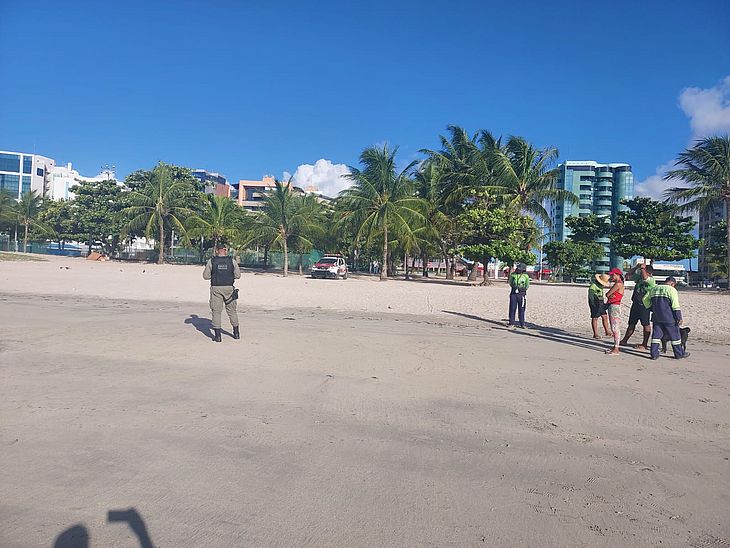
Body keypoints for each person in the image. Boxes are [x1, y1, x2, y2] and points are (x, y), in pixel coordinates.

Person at [643, 276, 689, 360]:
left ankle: (654, 354)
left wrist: (651, 308)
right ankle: (679, 354)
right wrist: (679, 317)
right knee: (675, 337)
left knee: (656, 336)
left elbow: (645, 299)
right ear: (673, 284)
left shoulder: (654, 288)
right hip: (669, 317)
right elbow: (675, 305)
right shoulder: (671, 290)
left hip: (656, 317)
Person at [203, 244, 241, 342]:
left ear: (216, 251)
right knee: (232, 311)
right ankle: (236, 333)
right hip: (229, 288)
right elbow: (238, 276)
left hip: (216, 288)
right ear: (226, 251)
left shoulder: (211, 261)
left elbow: (206, 276)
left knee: (216, 311)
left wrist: (214, 275)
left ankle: (218, 336)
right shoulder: (232, 261)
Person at [620, 263, 656, 350]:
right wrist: (636, 267)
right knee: (631, 323)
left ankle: (644, 343)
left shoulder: (651, 280)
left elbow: (645, 278)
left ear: (649, 273)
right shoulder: (639, 278)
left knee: (646, 324)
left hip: (644, 305)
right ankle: (625, 340)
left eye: (643, 271)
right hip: (636, 303)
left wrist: (643, 268)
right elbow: (628, 275)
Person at [604, 267, 625, 355]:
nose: (611, 277)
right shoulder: (619, 283)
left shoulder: (618, 284)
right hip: (614, 305)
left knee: (615, 327)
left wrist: (610, 295)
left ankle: (616, 348)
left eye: (613, 275)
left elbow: (608, 294)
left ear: (617, 275)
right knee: (615, 327)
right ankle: (615, 346)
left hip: (614, 306)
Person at [588, 273, 612, 339]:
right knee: (595, 318)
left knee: (604, 316)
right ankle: (595, 334)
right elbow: (591, 296)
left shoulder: (601, 286)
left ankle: (607, 331)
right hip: (594, 303)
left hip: (601, 302)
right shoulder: (593, 286)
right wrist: (593, 305)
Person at [508, 263, 530, 328]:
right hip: (514, 293)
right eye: (518, 268)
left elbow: (527, 285)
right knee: (512, 308)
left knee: (522, 309)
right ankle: (511, 323)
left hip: (522, 294)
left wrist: (522, 288)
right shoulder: (513, 275)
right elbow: (510, 282)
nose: (518, 270)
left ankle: (522, 323)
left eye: (520, 269)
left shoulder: (526, 276)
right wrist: (514, 286)